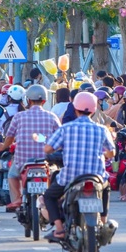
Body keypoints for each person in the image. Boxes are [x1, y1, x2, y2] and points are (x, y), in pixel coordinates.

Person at [42, 91, 116, 241]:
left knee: (49, 196)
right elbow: (112, 153)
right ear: (94, 110)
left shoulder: (66, 128)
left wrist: (60, 147)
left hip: (70, 177)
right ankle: (103, 221)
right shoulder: (101, 129)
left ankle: (59, 229)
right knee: (106, 187)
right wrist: (104, 154)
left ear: (75, 109)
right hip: (96, 176)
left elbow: (48, 149)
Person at [0, 85, 61, 212]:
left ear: (28, 100)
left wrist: (3, 146)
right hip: (45, 160)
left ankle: (17, 199)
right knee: (53, 175)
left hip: (22, 161)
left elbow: (9, 137)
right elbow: (60, 137)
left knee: (12, 175)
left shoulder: (19, 117)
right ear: (44, 101)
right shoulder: (52, 117)